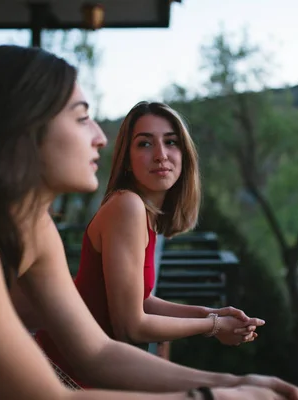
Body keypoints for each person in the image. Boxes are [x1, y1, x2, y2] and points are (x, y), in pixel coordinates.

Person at [0, 45, 298, 400]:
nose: (100, 137)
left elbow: (97, 351)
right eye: (82, 116)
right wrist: (214, 397)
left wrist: (235, 383)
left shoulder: (33, 229)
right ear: (26, 126)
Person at [36, 101, 266, 382]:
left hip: (82, 373)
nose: (160, 155)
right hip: (56, 375)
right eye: (145, 144)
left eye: (171, 142)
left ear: (185, 154)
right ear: (127, 160)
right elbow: (130, 326)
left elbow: (141, 301)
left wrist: (210, 313)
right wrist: (213, 326)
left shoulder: (143, 214)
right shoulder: (127, 207)